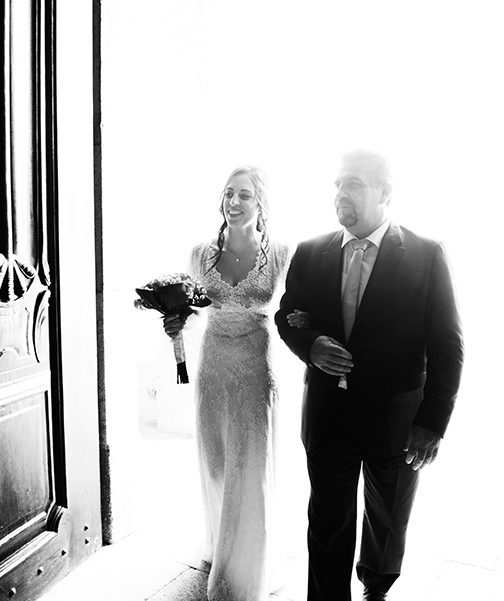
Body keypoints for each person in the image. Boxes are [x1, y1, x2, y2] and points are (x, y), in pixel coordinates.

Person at [275, 149, 463, 601]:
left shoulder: (426, 254)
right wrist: (310, 344)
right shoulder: (310, 252)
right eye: (338, 184)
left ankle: (376, 587)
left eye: (354, 184)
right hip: (328, 415)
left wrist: (432, 424)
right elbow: (287, 315)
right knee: (327, 519)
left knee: (388, 517)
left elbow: (447, 345)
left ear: (385, 193)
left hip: (396, 421)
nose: (341, 193)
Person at [162, 165, 290, 601]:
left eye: (245, 196)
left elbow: (294, 312)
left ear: (262, 205)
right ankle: (222, 545)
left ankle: (248, 569)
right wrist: (176, 320)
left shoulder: (281, 255)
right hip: (213, 364)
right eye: (229, 193)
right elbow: (195, 309)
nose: (233, 203)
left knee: (248, 469)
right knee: (217, 464)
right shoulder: (200, 255)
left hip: (257, 366)